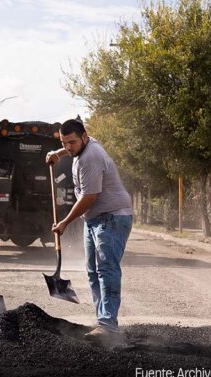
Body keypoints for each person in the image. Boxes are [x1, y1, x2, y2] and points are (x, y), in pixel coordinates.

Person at [45, 118, 133, 343]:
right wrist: (58, 153)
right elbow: (70, 149)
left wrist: (65, 221)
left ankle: (108, 325)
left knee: (106, 269)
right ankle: (102, 320)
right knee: (93, 271)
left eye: (71, 143)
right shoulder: (80, 147)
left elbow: (90, 197)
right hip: (95, 219)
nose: (68, 147)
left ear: (84, 136)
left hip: (112, 217)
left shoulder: (91, 157)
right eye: (64, 143)